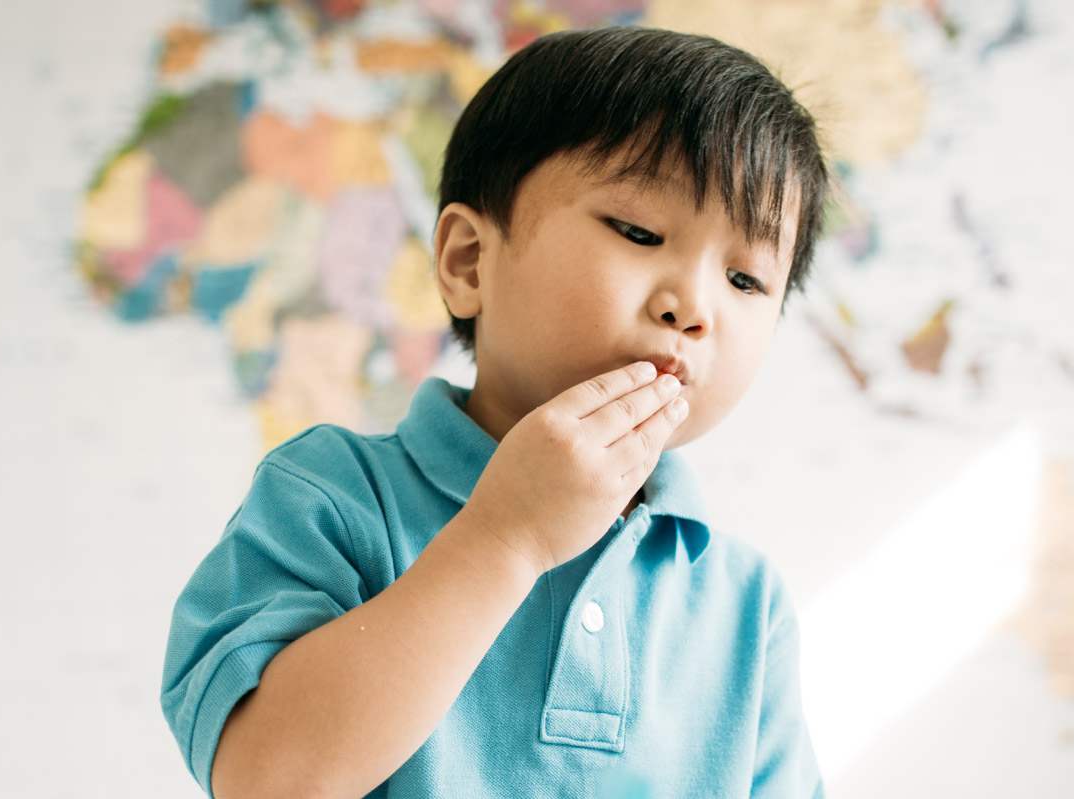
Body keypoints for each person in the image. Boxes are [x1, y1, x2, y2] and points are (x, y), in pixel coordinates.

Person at [161, 25, 831, 798]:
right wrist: (508, 536)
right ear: (468, 262)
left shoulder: (745, 605)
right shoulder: (330, 497)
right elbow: (268, 777)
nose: (694, 305)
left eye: (747, 280)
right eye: (639, 232)